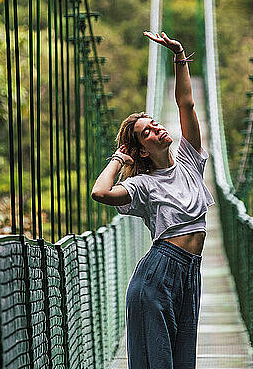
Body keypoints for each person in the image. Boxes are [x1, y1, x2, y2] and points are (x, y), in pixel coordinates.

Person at [91, 31, 215, 369]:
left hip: (191, 274)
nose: (158, 128)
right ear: (143, 149)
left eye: (155, 123)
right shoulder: (143, 185)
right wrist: (119, 160)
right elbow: (100, 193)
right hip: (157, 275)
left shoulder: (190, 160)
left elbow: (186, 103)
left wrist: (179, 57)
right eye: (148, 131)